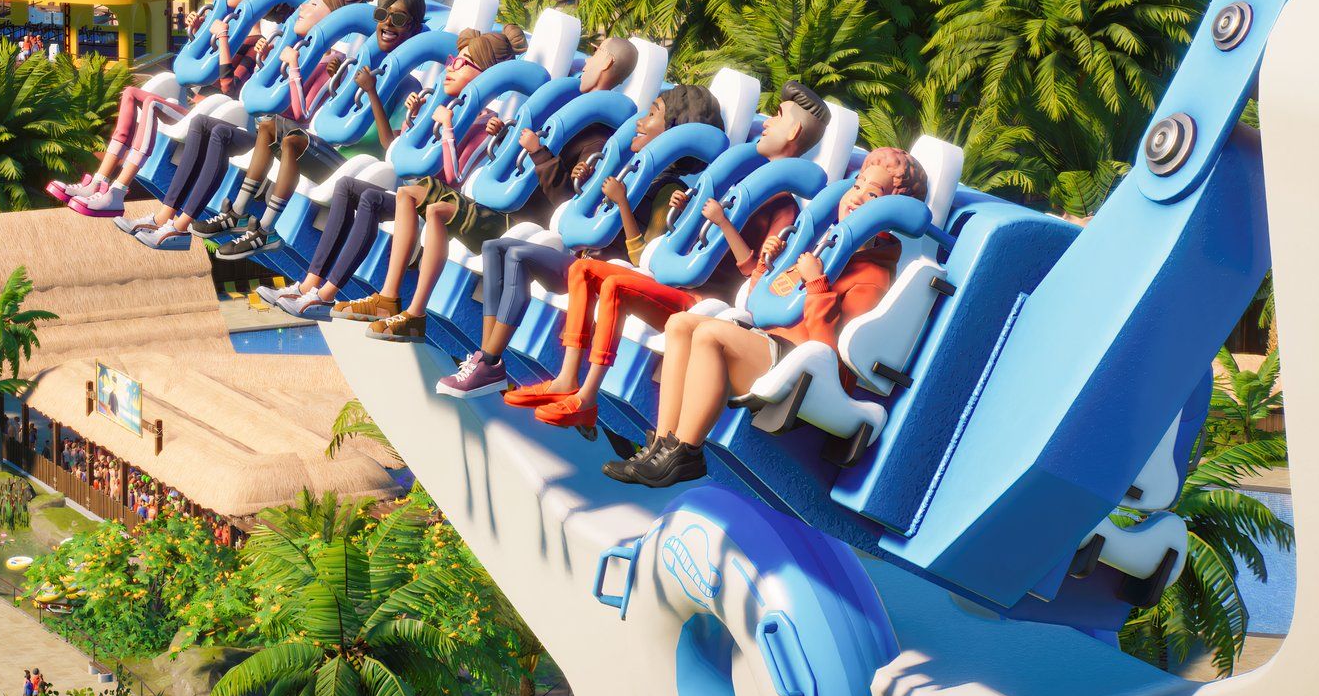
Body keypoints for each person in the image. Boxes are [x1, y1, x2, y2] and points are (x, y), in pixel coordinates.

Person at [502, 84, 831, 429]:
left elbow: (755, 275)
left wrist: (722, 223)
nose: (766, 122)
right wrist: (688, 211)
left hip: (700, 300)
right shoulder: (736, 178)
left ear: (793, 131)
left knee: (615, 286)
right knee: (583, 270)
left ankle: (586, 397)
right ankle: (566, 379)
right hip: (666, 274)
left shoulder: (784, 207)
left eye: (777, 117)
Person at [605, 148, 930, 487]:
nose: (857, 196)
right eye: (858, 184)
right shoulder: (828, 247)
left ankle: (687, 451)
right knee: (680, 324)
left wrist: (817, 282)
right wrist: (765, 265)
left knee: (709, 336)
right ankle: (662, 442)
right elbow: (769, 300)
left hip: (805, 362)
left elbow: (827, 345)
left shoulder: (872, 275)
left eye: (873, 194)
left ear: (891, 215)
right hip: (769, 341)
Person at [347, 38, 641, 341]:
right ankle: (389, 297)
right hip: (491, 202)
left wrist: (540, 153)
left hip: (518, 220)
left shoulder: (598, 136)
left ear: (606, 63)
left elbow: (566, 201)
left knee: (435, 208)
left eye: (595, 55)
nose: (588, 60)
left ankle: (414, 313)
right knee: (413, 193)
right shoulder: (558, 104)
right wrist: (503, 136)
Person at [265, 23, 531, 317]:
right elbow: (402, 152)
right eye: (451, 62)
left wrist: (447, 130)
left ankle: (326, 294)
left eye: (461, 63)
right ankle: (309, 285)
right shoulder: (442, 107)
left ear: (485, 78)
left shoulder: (487, 124)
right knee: (347, 187)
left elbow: (456, 176)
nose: (451, 68)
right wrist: (414, 120)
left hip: (444, 202)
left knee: (370, 199)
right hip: (416, 192)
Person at [126, 0, 370, 246]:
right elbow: (257, 93)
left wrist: (293, 70)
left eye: (313, 5)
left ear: (333, 19)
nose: (302, 7)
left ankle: (185, 224)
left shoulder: (335, 65)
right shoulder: (294, 48)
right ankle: (166, 218)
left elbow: (304, 114)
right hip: (267, 132)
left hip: (297, 142)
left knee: (246, 127)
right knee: (206, 126)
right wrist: (265, 61)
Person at [55, 0, 294, 216]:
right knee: (130, 93)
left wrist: (223, 40)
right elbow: (193, 70)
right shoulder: (227, 26)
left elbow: (230, 88)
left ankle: (119, 191)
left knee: (151, 102)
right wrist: (198, 33)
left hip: (213, 113)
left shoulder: (257, 44)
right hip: (194, 103)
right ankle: (100, 180)